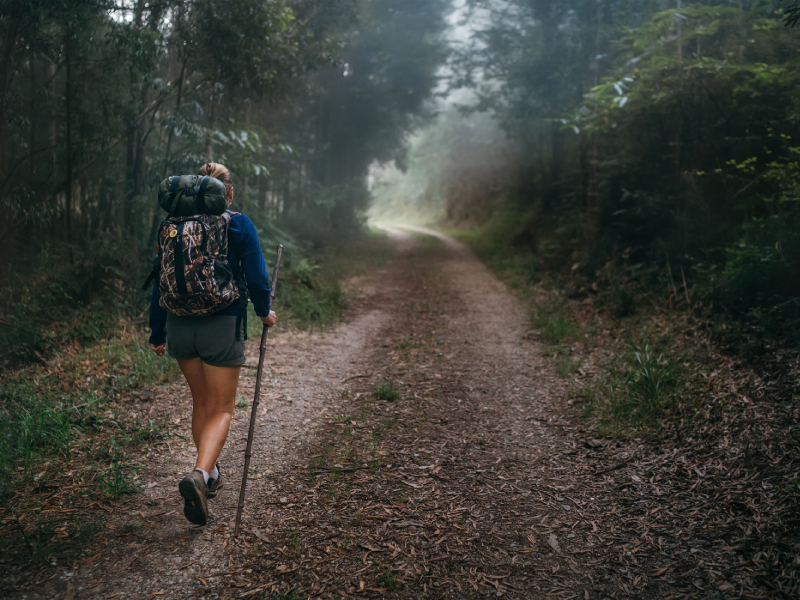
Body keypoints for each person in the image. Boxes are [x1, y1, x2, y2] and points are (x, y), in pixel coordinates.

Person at [148, 162, 277, 526]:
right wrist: (264, 311)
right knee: (221, 409)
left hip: (179, 326)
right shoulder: (237, 223)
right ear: (228, 193)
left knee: (201, 402)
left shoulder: (173, 226)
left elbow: (160, 281)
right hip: (221, 325)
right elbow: (256, 276)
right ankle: (200, 475)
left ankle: (212, 474)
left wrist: (157, 332)